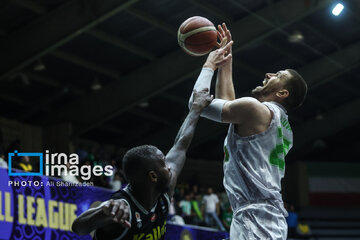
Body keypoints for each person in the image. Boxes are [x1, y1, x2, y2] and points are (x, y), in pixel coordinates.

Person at [188, 23, 307, 239]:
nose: (269, 73)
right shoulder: (282, 126)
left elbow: (197, 104)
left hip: (256, 216)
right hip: (262, 215)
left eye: (277, 75)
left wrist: (209, 65)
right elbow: (228, 108)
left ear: (282, 92)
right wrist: (227, 63)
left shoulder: (256, 109)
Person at [72, 89, 213, 240]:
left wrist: (196, 109)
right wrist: (104, 212)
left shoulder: (163, 194)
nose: (170, 167)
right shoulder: (123, 208)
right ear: (153, 176)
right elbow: (78, 227)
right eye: (164, 165)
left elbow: (180, 145)